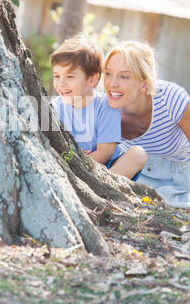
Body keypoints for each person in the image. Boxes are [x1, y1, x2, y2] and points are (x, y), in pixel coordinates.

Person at [103, 40, 190, 210]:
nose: (112, 84)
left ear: (144, 84)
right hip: (141, 178)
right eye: (108, 73)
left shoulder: (170, 98)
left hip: (183, 176)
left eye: (124, 76)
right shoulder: (103, 109)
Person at [50, 34, 147, 179]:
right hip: (67, 166)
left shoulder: (106, 106)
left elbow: (106, 151)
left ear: (92, 79)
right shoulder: (54, 107)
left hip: (106, 170)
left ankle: (107, 189)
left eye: (70, 76)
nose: (61, 83)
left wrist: (81, 162)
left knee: (138, 154)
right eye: (57, 76)